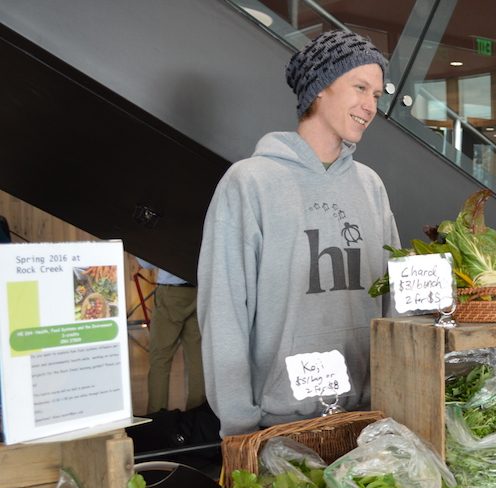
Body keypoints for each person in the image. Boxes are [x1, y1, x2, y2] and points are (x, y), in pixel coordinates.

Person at [198, 30, 399, 437]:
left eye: (377, 94)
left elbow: (393, 301)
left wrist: (394, 396)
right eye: (360, 87)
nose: (370, 105)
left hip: (367, 420)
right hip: (277, 427)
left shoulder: (370, 185)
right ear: (320, 89)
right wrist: (239, 426)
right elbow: (224, 309)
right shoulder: (250, 182)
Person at [136, 259, 205, 413]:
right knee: (197, 359)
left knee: (160, 359)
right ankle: (196, 416)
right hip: (198, 290)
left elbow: (146, 262)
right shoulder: (200, 232)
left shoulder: (163, 233)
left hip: (171, 292)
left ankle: (157, 417)